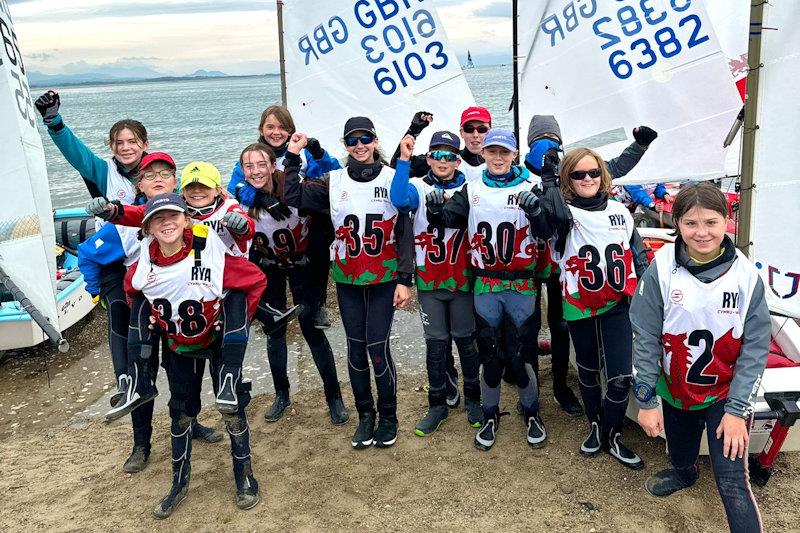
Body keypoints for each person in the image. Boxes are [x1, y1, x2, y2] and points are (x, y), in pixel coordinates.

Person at [90, 160, 300, 415]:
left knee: (236, 311)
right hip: (193, 284)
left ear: (218, 189)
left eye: (204, 187)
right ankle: (144, 387)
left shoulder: (228, 206)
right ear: (182, 191)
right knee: (184, 379)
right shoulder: (179, 211)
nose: (197, 192)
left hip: (227, 274)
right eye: (191, 187)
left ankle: (233, 379)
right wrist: (113, 211)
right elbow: (142, 214)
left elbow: (246, 227)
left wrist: (243, 226)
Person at [630, 183, 769, 532]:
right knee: (680, 451)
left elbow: (755, 345)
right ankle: (684, 472)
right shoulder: (661, 267)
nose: (702, 232)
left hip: (724, 394)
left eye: (711, 222)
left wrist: (738, 410)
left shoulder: (745, 275)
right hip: (676, 386)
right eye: (691, 223)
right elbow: (644, 334)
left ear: (727, 221)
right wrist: (647, 398)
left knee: (731, 479)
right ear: (677, 223)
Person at [123, 193, 267, 518]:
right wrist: (151, 319)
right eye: (158, 219)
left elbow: (256, 280)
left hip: (216, 342)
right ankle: (179, 482)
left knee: (231, 408)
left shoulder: (210, 254)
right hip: (179, 346)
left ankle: (245, 478)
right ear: (148, 227)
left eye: (173, 216)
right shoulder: (143, 264)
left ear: (186, 219)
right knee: (181, 412)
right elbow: (132, 292)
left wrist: (236, 323)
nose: (167, 223)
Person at [78, 152, 223, 471]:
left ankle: (191, 423)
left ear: (177, 183)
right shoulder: (125, 224)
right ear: (139, 185)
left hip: (180, 314)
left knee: (185, 374)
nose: (158, 179)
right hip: (143, 312)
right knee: (142, 375)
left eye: (166, 174)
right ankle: (141, 446)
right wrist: (97, 292)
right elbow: (89, 252)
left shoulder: (192, 221)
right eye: (150, 175)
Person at [283, 116, 413, 449]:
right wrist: (294, 154)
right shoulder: (332, 180)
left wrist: (405, 279)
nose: (359, 145)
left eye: (365, 138)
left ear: (374, 140)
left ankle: (389, 417)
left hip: (383, 277)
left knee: (377, 348)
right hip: (348, 277)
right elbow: (293, 195)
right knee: (355, 350)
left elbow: (404, 232)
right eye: (352, 140)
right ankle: (365, 416)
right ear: (344, 145)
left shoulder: (392, 176)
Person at [523, 115, 658, 416]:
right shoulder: (525, 174)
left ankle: (561, 387)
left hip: (568, 268)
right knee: (530, 327)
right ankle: (531, 392)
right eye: (541, 140)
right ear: (530, 143)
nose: (548, 145)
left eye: (553, 140)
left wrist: (639, 146)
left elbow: (613, 168)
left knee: (559, 327)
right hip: (534, 262)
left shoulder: (574, 168)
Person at [425, 129, 546, 451]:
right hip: (487, 283)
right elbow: (446, 222)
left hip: (521, 283)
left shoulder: (529, 185)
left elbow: (551, 230)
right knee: (490, 357)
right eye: (492, 152)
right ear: (483, 154)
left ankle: (532, 412)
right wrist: (435, 208)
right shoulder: (473, 187)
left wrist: (537, 211)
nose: (497, 157)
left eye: (504, 152)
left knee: (522, 356)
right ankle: (491, 415)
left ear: (514, 155)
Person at [533, 146, 649, 469]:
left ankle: (612, 434)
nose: (587, 179)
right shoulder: (564, 214)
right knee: (586, 371)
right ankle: (595, 425)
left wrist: (648, 293)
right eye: (578, 174)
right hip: (581, 306)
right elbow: (545, 225)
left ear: (602, 174)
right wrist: (548, 184)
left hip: (616, 304)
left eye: (593, 172)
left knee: (620, 376)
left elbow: (637, 253)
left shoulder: (620, 211)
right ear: (568, 179)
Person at [238, 141, 349, 425]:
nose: (256, 171)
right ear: (242, 170)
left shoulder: (293, 188)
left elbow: (331, 189)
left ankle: (334, 396)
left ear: (273, 165)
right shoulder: (240, 199)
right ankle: (282, 394)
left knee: (312, 330)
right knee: (275, 332)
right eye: (249, 166)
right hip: (269, 268)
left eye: (261, 164)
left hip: (302, 266)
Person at [391, 131, 482, 435]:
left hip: (461, 282)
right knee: (435, 345)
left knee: (466, 342)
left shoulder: (470, 189)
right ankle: (438, 406)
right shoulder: (418, 186)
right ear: (428, 158)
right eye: (436, 155)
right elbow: (398, 198)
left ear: (458, 160)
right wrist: (404, 160)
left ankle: (473, 400)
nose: (443, 161)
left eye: (449, 156)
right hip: (430, 282)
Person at [227, 105, 341, 329]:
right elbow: (236, 186)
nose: (276, 132)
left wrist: (319, 153)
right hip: (266, 226)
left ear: (291, 131)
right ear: (261, 129)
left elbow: (336, 176)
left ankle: (319, 303)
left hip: (297, 219)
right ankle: (255, 306)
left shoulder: (302, 153)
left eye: (282, 127)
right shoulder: (251, 155)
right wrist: (261, 198)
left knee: (320, 234)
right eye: (270, 127)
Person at [391, 106, 491, 183]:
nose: (475, 135)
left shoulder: (501, 162)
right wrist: (413, 130)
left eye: (482, 129)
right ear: (461, 132)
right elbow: (395, 169)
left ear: (490, 131)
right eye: (469, 129)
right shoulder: (443, 158)